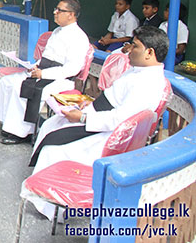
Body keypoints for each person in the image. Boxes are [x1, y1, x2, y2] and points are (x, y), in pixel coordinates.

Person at [25, 26, 168, 219]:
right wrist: (90, 104)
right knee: (53, 124)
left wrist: (83, 117)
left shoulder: (148, 83)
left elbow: (121, 119)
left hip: (107, 135)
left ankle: (54, 205)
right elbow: (114, 98)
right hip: (98, 116)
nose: (129, 50)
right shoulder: (140, 71)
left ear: (149, 53)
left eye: (135, 46)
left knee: (55, 148)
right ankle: (43, 194)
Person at [0, 0, 89, 144]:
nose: (55, 12)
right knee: (7, 82)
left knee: (22, 88)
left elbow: (72, 69)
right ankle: (8, 124)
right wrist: (36, 66)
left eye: (60, 10)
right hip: (42, 71)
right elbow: (47, 57)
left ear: (71, 14)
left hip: (60, 79)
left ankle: (22, 133)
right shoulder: (57, 31)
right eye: (56, 9)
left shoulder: (79, 37)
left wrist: (44, 74)